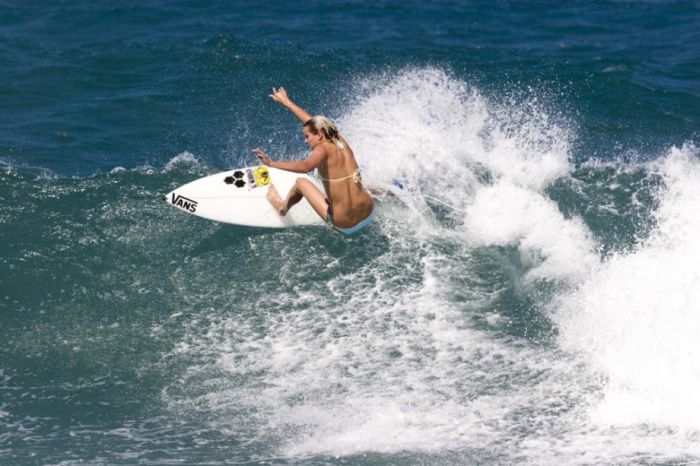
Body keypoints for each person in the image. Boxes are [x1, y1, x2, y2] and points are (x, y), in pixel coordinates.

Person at [253, 87, 375, 235]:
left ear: (320, 135)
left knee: (300, 183)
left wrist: (271, 163)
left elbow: (306, 167)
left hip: (345, 225)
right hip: (369, 213)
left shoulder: (322, 148)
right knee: (361, 185)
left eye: (307, 137)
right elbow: (311, 122)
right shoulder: (341, 142)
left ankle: (281, 208)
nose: (305, 141)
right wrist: (287, 102)